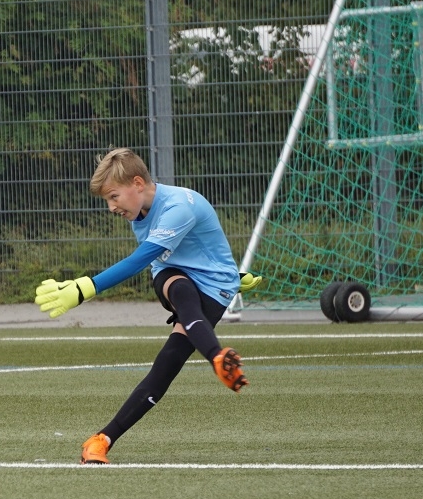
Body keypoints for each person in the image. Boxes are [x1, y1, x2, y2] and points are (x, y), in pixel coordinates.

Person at [34, 147, 262, 464]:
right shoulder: (138, 209)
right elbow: (169, 255)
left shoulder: (178, 206)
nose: (111, 207)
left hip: (215, 287)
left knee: (167, 363)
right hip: (173, 276)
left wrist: (85, 287)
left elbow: (140, 258)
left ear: (137, 183)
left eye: (114, 197)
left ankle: (101, 440)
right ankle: (217, 357)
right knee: (181, 289)